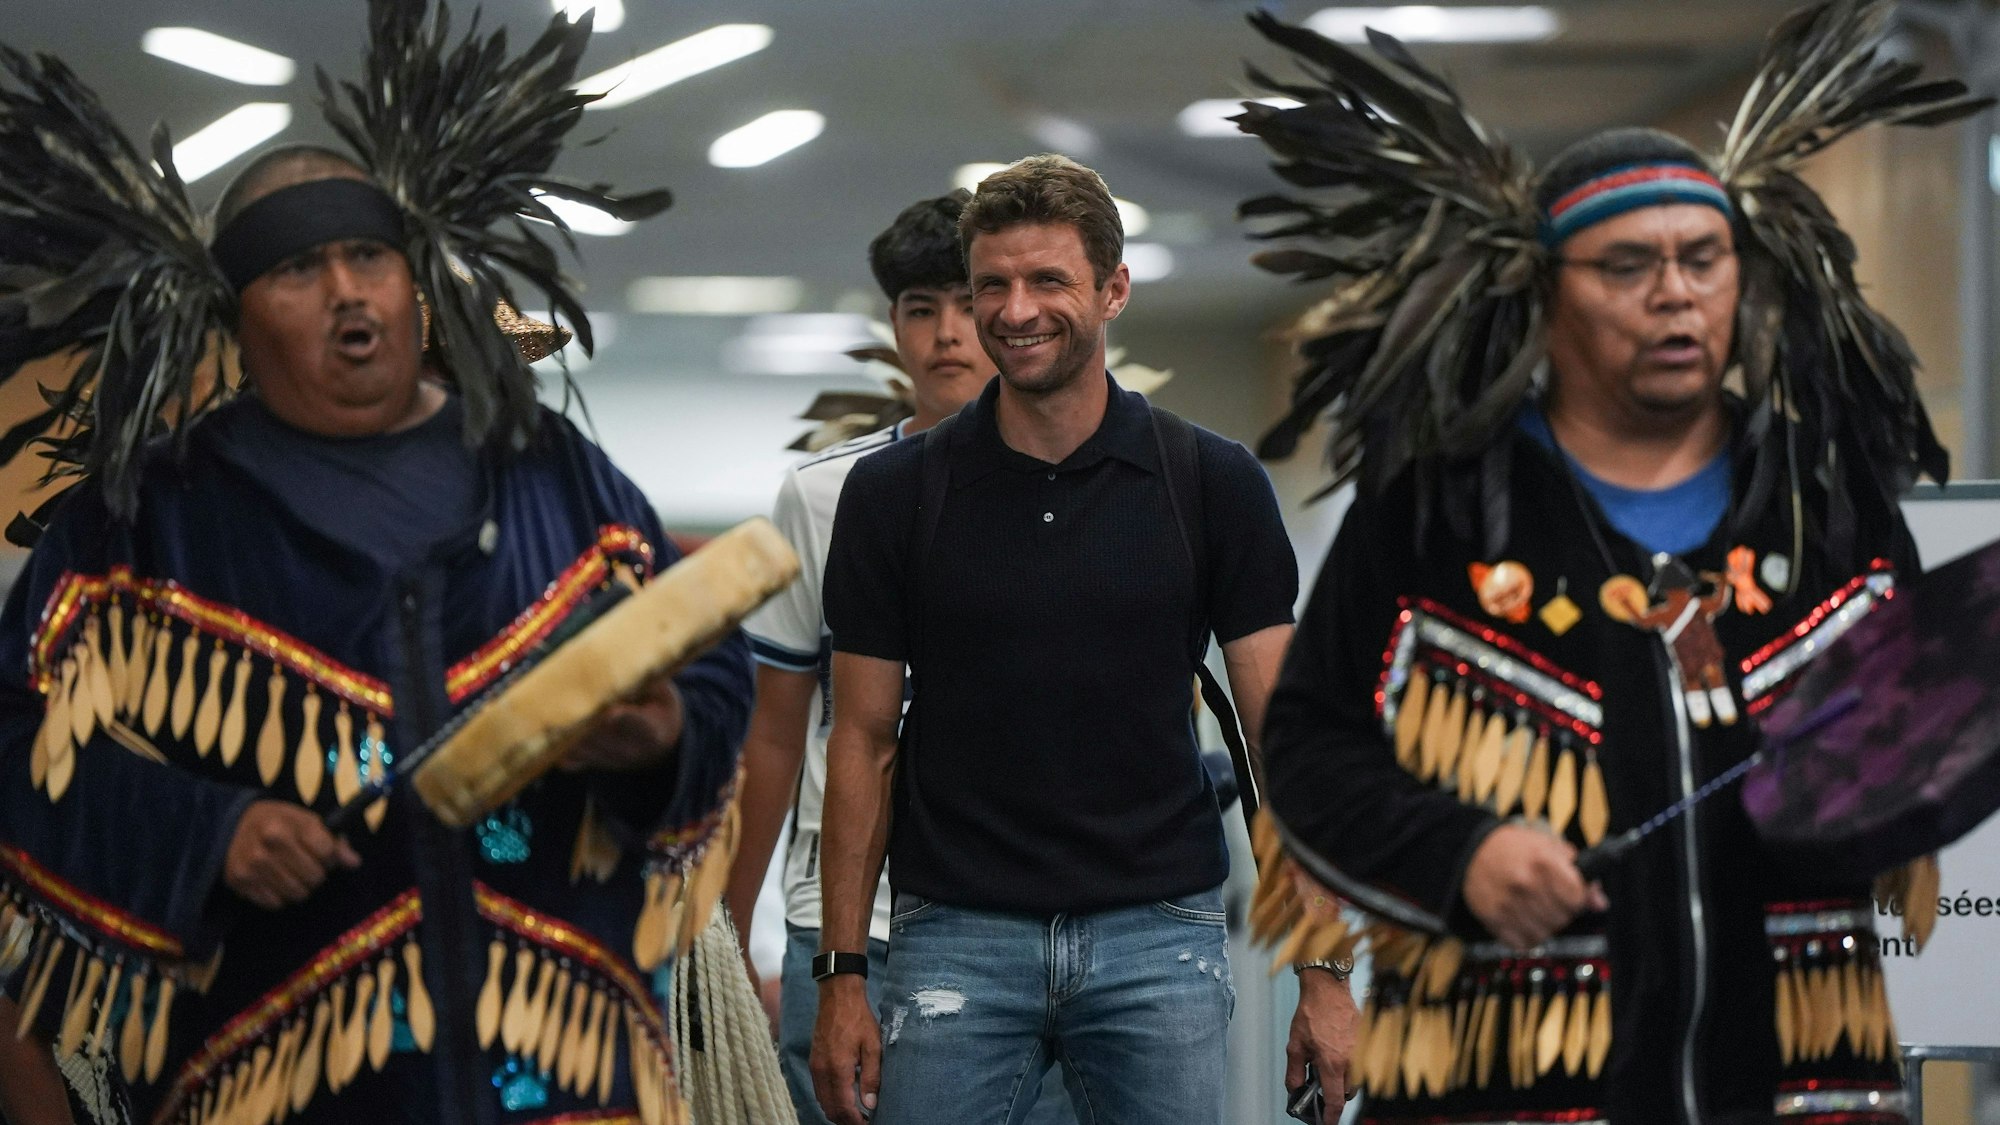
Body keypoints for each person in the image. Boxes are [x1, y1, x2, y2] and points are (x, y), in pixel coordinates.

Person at [0, 6, 746, 1122]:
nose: (348, 291)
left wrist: (666, 732)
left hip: (561, 1063)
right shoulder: (149, 521)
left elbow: (709, 662)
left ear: (413, 281)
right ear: (235, 316)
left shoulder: (548, 474)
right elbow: (18, 738)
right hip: (289, 1066)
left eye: (370, 258)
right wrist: (206, 831)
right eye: (299, 269)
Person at [1239, 6, 1981, 1123]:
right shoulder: (1437, 513)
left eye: (1702, 260)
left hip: (1792, 1075)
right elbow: (1305, 747)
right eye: (1627, 265)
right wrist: (1459, 853)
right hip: (1505, 1076)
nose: (1675, 293)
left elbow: (1922, 735)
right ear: (1542, 295)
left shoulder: (1827, 504)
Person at [810, 153, 1358, 1125]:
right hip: (954, 940)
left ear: (1113, 290)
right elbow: (861, 739)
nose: (1014, 310)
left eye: (1047, 280)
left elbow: (1280, 739)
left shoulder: (1210, 482)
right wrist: (843, 973)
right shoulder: (894, 495)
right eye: (992, 285)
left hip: (1158, 937)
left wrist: (1323, 971)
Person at [725, 189, 998, 1125]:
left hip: (1018, 919)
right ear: (893, 326)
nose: (947, 334)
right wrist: (730, 927)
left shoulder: (1085, 488)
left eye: (965, 303)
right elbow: (774, 729)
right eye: (921, 309)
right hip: (846, 923)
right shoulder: (823, 495)